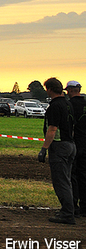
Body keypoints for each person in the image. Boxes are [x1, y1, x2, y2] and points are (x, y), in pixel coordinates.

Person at [39, 77, 76, 224]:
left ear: (49, 89)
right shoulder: (68, 104)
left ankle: (67, 213)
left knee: (61, 182)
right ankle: (69, 209)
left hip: (60, 147)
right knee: (67, 180)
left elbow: (52, 129)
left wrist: (44, 149)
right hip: (70, 145)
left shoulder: (54, 106)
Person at [66, 80, 86, 218]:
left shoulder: (69, 105)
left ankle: (73, 205)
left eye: (68, 91)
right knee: (84, 175)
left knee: (72, 175)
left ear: (72, 90)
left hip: (75, 144)